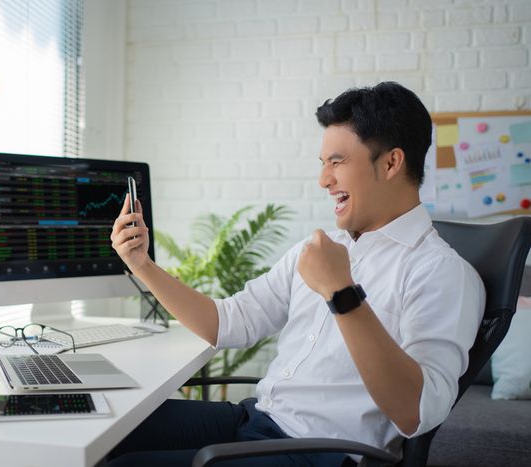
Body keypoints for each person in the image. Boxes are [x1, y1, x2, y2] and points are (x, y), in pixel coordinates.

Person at [107, 81, 485, 467]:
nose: (324, 180)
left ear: (390, 163)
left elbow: (416, 412)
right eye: (323, 164)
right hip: (259, 422)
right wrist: (142, 264)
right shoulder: (321, 250)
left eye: (337, 162)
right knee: (110, 429)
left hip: (319, 454)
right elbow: (226, 323)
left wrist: (341, 291)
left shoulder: (442, 272)